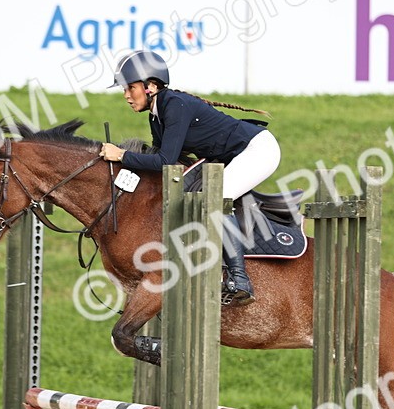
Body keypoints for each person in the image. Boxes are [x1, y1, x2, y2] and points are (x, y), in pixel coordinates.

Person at [99, 50, 282, 306]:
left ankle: (240, 280)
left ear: (151, 86)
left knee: (215, 199)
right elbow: (165, 165)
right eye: (124, 89)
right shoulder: (156, 115)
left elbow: (164, 161)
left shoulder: (174, 106)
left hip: (258, 150)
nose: (126, 96)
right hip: (230, 156)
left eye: (131, 88)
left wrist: (122, 156)